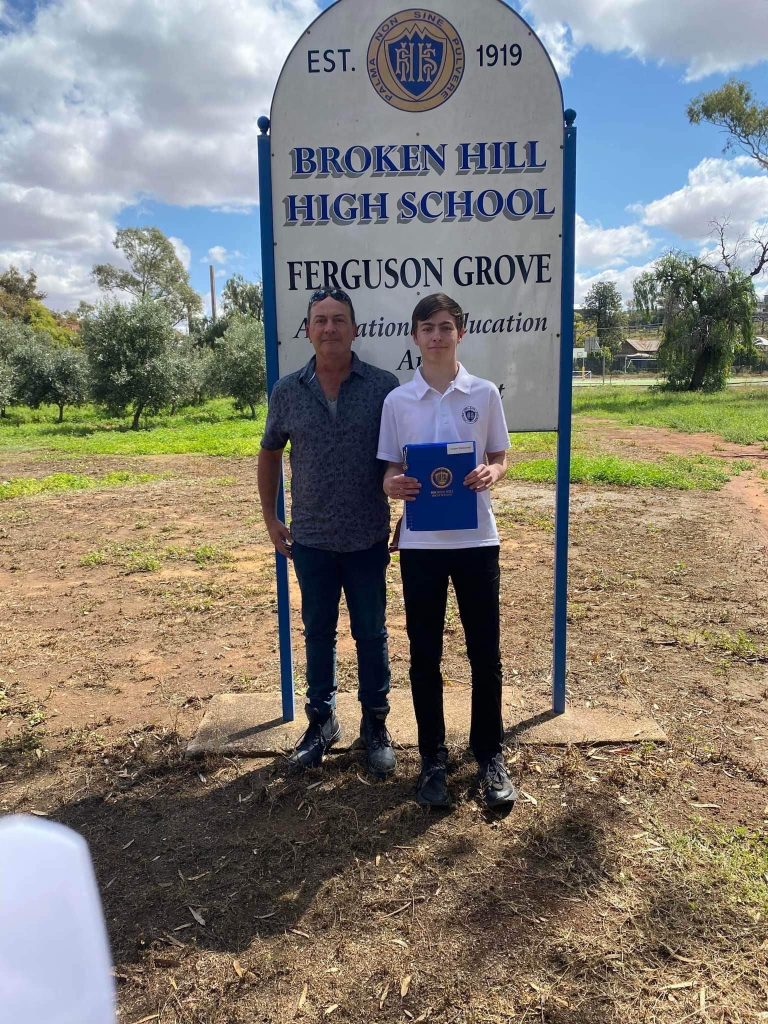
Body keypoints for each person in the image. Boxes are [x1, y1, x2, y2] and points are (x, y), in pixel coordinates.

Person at [377, 292, 517, 809]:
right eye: (426, 328)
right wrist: (393, 486)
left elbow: (500, 454)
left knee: (486, 654)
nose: (436, 336)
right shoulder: (398, 401)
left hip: (478, 541)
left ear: (460, 331)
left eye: (445, 327)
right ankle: (433, 758)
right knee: (424, 656)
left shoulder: (483, 393)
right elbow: (390, 468)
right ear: (414, 337)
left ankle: (489, 755)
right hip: (420, 547)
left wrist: (491, 472)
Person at [258, 288, 399, 776]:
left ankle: (375, 727)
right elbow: (270, 450)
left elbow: (405, 456)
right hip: (311, 539)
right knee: (317, 633)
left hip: (366, 537)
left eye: (339, 319)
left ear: (355, 328)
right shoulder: (288, 390)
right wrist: (270, 515)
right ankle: (321, 724)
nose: (330, 328)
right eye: (320, 320)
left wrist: (413, 514)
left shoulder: (384, 387)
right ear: (308, 329)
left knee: (371, 634)